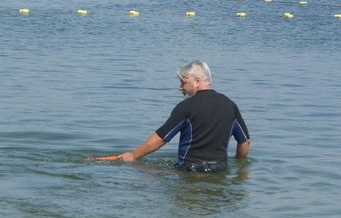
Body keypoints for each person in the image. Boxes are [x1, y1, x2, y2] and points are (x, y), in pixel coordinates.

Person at [98, 59, 250, 172]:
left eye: (183, 82)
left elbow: (161, 138)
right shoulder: (230, 105)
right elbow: (245, 142)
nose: (180, 87)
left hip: (190, 170)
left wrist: (133, 155)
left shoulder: (187, 107)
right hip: (220, 170)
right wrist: (239, 164)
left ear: (197, 82)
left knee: (146, 176)